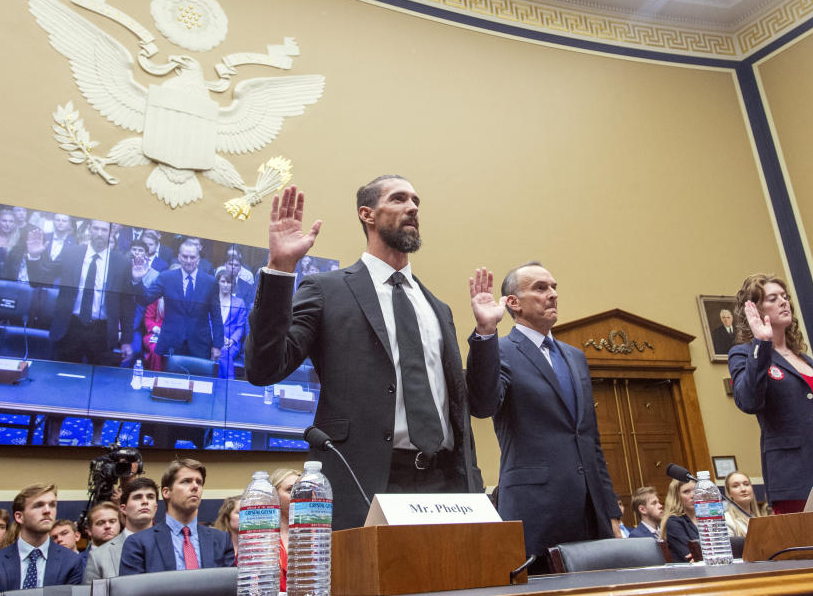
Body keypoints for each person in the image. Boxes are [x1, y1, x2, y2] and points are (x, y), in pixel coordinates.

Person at [245, 178, 485, 530]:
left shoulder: (437, 307)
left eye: (416, 201)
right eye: (399, 198)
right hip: (366, 480)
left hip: (447, 484)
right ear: (367, 214)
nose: (413, 207)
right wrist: (281, 270)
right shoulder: (328, 289)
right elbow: (264, 368)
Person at [465, 262, 622, 570]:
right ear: (513, 303)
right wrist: (486, 332)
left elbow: (590, 441)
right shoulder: (501, 350)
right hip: (536, 511)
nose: (552, 295)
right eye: (540, 288)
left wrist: (610, 511)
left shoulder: (574, 357)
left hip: (591, 514)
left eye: (553, 287)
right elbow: (482, 405)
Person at [729, 273, 813, 514]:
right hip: (796, 477)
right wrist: (761, 344)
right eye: (772, 298)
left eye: (785, 297)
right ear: (755, 310)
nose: (783, 302)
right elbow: (748, 401)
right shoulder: (744, 353)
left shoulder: (805, 359)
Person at [25, 220, 137, 364]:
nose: (99, 234)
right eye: (96, 229)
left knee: (98, 382)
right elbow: (37, 281)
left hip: (102, 332)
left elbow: (127, 305)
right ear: (89, 230)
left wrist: (126, 340)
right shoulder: (70, 254)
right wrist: (34, 257)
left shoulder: (122, 262)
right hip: (69, 327)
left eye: (104, 230)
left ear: (111, 233)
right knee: (62, 380)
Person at [119, 459, 234, 574]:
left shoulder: (222, 540)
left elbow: (229, 588)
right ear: (166, 492)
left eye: (199, 482)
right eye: (186, 481)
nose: (195, 487)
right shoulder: (139, 543)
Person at [0, 484, 84, 592]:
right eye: (38, 505)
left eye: (52, 505)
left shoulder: (71, 562)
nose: (47, 510)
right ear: (19, 517)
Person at [134, 240, 223, 361]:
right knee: (169, 380)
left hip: (200, 345)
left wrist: (217, 345)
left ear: (198, 259)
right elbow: (145, 299)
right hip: (171, 342)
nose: (189, 261)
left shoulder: (210, 282)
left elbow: (216, 316)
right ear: (179, 257)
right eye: (185, 257)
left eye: (192, 257)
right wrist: (137, 280)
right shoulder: (166, 277)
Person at [84, 478, 159, 583]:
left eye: (150, 497)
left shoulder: (173, 543)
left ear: (156, 507)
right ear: (123, 508)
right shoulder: (99, 556)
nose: (145, 501)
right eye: (137, 497)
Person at [270, 467, 301, 592]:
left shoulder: (317, 537)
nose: (298, 495)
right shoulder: (260, 538)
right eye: (290, 489)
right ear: (274, 495)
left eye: (302, 490)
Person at [215, 268, 248, 379]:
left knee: (224, 351)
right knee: (223, 351)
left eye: (228, 282)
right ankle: (229, 383)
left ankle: (223, 385)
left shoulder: (239, 303)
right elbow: (209, 323)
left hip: (232, 343)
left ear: (232, 284)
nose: (225, 285)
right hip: (214, 339)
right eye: (223, 281)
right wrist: (218, 338)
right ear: (218, 282)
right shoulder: (213, 300)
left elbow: (240, 328)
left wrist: (232, 340)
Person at [660, 479, 698, 563]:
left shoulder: (706, 517)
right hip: (688, 573)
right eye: (686, 492)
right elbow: (692, 557)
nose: (693, 495)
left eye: (696, 490)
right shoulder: (673, 522)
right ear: (676, 497)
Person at [723, 471, 762, 538]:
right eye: (736, 486)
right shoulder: (726, 520)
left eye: (746, 484)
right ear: (729, 493)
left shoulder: (760, 518)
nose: (743, 489)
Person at [211, 495, 240, 560]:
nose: (245, 517)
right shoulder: (212, 542)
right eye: (239, 512)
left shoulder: (259, 545)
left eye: (248, 513)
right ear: (227, 516)